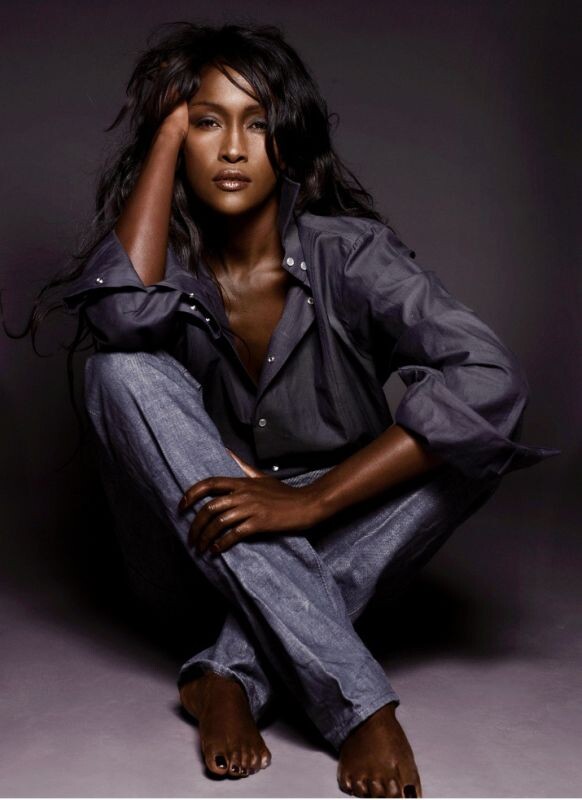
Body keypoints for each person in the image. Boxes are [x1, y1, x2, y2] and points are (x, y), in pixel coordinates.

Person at [10, 21, 560, 799]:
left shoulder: (350, 255)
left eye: (258, 123)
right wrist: (162, 137)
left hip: (339, 529)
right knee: (119, 369)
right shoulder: (166, 269)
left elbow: (490, 379)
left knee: (473, 448)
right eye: (207, 122)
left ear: (288, 139)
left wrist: (313, 500)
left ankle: (225, 675)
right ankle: (359, 704)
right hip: (197, 543)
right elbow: (121, 317)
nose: (234, 148)